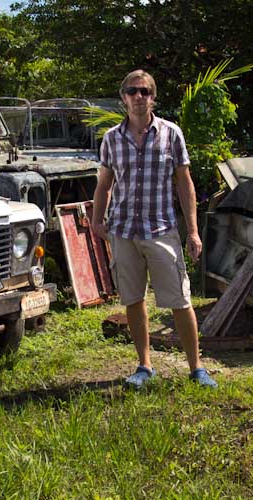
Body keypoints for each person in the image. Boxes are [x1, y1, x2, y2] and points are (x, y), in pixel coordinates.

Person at [91, 69, 217, 389]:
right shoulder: (111, 139)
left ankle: (197, 368)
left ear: (153, 97)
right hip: (123, 233)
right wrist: (96, 220)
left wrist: (192, 231)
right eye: (132, 91)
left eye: (144, 91)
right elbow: (104, 185)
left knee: (180, 300)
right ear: (123, 98)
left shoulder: (171, 134)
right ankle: (144, 366)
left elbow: (184, 184)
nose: (138, 97)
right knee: (133, 299)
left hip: (161, 230)